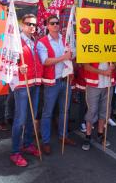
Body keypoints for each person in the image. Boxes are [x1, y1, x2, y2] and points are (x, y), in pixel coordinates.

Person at [37, 15, 76, 155]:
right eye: (52, 23)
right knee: (47, 113)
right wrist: (63, 58)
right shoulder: (42, 42)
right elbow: (45, 61)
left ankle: (63, 136)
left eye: (57, 23)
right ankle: (46, 142)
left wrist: (71, 54)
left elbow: (73, 55)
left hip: (65, 80)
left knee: (64, 111)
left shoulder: (65, 39)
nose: (55, 25)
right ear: (47, 26)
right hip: (52, 82)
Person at [10, 14, 43, 167]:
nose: (32, 27)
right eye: (29, 24)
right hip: (22, 86)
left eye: (34, 25)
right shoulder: (16, 42)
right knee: (20, 119)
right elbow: (5, 62)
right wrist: (18, 67)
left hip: (35, 84)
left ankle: (27, 143)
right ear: (22, 25)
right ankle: (15, 152)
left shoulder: (34, 42)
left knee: (31, 116)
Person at [82, 62, 116, 151]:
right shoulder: (92, 47)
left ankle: (100, 134)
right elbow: (86, 66)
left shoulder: (111, 47)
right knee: (92, 110)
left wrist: (114, 65)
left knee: (104, 110)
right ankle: (88, 136)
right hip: (93, 84)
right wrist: (103, 72)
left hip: (108, 84)